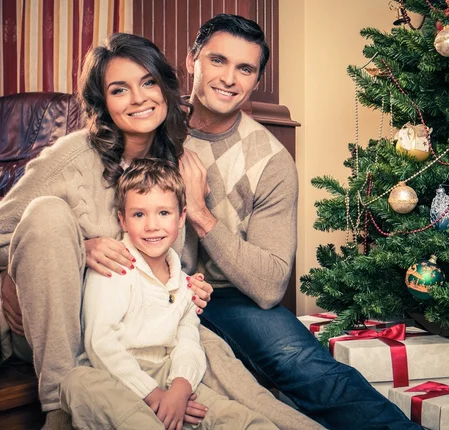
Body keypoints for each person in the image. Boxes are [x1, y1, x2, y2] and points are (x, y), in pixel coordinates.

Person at [0, 32, 321, 430]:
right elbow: (16, 231)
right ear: (103, 102)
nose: (138, 99)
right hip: (63, 330)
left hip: (148, 326)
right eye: (120, 89)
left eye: (148, 82)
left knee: (233, 379)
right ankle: (60, 408)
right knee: (48, 214)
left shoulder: (181, 163)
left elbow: (175, 260)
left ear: (166, 89)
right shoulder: (69, 158)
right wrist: (73, 249)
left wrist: (191, 283)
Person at [181, 13, 423, 430]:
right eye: (217, 60)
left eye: (245, 68)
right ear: (192, 60)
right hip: (156, 290)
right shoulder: (148, 125)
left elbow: (270, 283)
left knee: (307, 366)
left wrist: (201, 215)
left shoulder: (271, 160)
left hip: (232, 296)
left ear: (256, 80)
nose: (229, 78)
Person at [60, 158, 277, 430]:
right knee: (77, 382)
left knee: (241, 420)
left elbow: (188, 342)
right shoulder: (114, 268)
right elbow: (101, 345)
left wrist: (179, 390)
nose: (152, 225)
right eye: (139, 215)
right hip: (115, 376)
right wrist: (154, 396)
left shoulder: (185, 284)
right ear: (123, 220)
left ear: (182, 216)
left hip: (168, 374)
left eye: (163, 213)